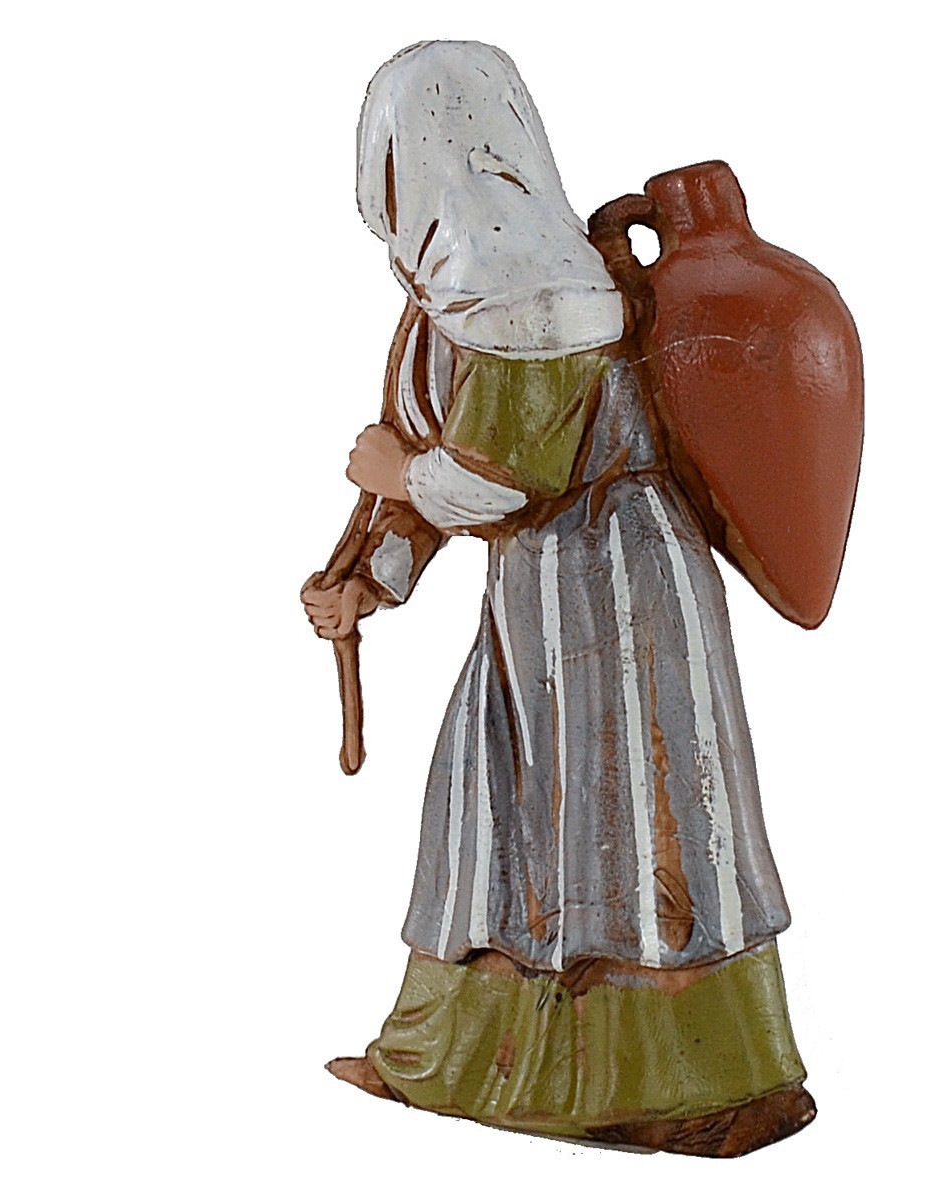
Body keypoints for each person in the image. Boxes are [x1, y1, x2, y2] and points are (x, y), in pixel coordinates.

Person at [302, 40, 814, 1156]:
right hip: (536, 594)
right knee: (493, 810)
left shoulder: (544, 291)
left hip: (621, 595)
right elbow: (455, 471)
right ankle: (458, 1058)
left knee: (636, 825)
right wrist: (372, 584)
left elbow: (496, 477)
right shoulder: (455, 296)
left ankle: (697, 1084)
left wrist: (394, 474)